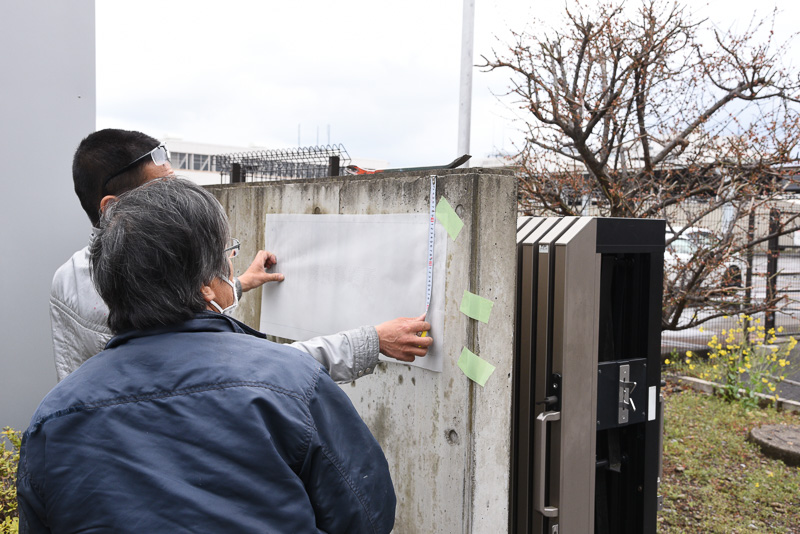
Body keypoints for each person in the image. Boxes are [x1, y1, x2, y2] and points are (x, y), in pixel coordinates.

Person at [18, 178, 396, 533]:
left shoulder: (53, 418)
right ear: (207, 286)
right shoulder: (294, 383)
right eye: (229, 255)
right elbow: (367, 515)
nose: (233, 267)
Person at [50, 128, 432, 382]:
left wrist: (238, 283)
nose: (181, 200)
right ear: (112, 207)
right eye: (163, 194)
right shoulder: (142, 292)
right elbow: (254, 372)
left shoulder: (71, 276)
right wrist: (371, 340)